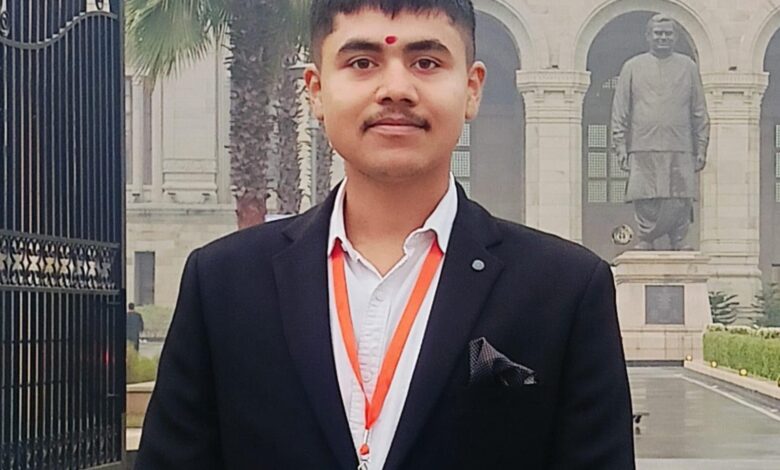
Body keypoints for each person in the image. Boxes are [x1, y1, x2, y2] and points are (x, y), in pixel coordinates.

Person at [137, 1, 634, 468]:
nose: (396, 89)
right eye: (362, 62)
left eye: (426, 63)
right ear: (315, 91)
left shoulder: (564, 289)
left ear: (472, 89)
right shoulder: (224, 283)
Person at [611, 14, 710, 251]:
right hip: (642, 144)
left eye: (668, 33)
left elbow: (699, 110)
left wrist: (701, 146)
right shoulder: (632, 67)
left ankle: (679, 239)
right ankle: (647, 238)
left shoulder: (688, 66)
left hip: (680, 144)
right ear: (648, 36)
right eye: (658, 33)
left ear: (675, 37)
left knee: (680, 196)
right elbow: (620, 110)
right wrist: (620, 146)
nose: (663, 38)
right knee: (645, 196)